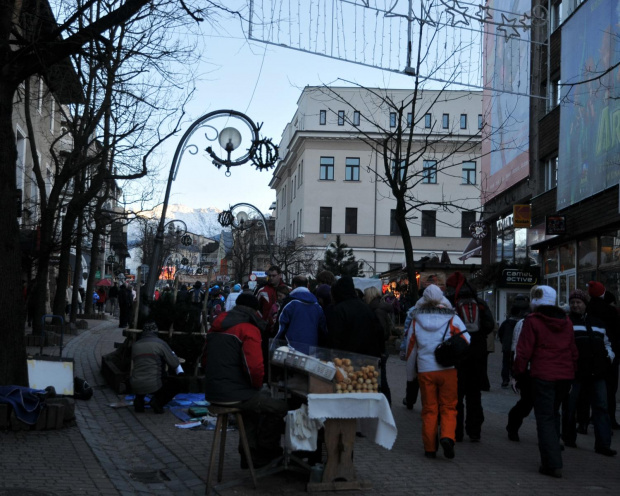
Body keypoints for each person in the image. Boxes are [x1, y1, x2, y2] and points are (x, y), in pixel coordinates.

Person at [203, 293, 289, 469]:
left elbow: (205, 360)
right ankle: (265, 451)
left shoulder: (216, 326)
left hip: (212, 391)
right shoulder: (248, 329)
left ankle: (249, 455)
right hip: (234, 393)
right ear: (254, 311)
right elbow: (255, 369)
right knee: (281, 408)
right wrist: (257, 386)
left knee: (252, 410)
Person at [513, 285, 577, 478]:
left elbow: (523, 351)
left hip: (543, 376)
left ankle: (552, 463)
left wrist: (518, 373)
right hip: (564, 377)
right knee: (553, 414)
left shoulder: (532, 321)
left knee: (545, 418)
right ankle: (554, 453)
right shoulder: (566, 322)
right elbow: (573, 351)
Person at [404, 284, 470, 459]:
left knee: (429, 409)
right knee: (449, 407)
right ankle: (448, 436)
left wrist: (410, 377)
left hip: (425, 370)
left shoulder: (416, 321)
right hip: (448, 369)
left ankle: (430, 448)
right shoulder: (452, 319)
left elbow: (411, 351)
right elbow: (466, 339)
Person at [562, 289, 616, 456]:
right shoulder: (566, 322)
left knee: (601, 407)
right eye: (573, 303)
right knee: (570, 407)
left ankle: (603, 444)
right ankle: (569, 437)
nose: (575, 305)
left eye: (578, 302)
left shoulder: (598, 322)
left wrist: (609, 357)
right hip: (575, 372)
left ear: (585, 304)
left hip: (597, 372)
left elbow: (607, 343)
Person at [444, 271, 495, 442]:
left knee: (456, 395)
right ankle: (474, 431)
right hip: (478, 352)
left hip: (458, 352)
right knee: (474, 394)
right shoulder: (479, 303)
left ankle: (456, 432)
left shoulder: (451, 303)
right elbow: (489, 325)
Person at [326, 276, 388, 400]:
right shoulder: (365, 307)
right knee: (365, 394)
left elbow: (335, 338)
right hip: (368, 361)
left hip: (347, 362)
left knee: (348, 395)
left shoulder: (339, 310)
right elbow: (379, 331)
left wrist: (333, 358)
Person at [587, 281, 620, 429]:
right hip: (611, 353)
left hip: (591, 353)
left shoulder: (587, 310)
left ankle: (588, 418)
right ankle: (610, 418)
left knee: (591, 387)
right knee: (610, 388)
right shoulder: (612, 312)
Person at [130, 321, 182, 413]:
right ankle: (157, 403)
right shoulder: (160, 344)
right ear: (156, 332)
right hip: (153, 384)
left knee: (144, 372)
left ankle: (139, 401)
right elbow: (174, 364)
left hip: (135, 383)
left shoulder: (135, 345)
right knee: (177, 384)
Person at [273, 275, 327, 354]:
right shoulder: (317, 305)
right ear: (307, 285)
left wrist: (273, 345)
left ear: (294, 285)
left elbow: (280, 326)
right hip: (311, 350)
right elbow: (322, 329)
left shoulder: (290, 302)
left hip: (291, 349)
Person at [498, 295, 530, 388]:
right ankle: (516, 379)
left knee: (505, 363)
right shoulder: (526, 312)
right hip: (519, 345)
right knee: (515, 362)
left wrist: (503, 342)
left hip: (507, 345)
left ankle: (505, 379)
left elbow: (500, 332)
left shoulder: (507, 322)